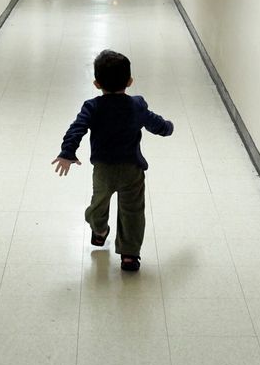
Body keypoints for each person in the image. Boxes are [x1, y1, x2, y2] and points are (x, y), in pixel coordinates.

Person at [51, 49, 173, 271]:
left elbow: (75, 129)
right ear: (130, 81)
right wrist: (167, 128)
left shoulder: (95, 106)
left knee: (120, 209)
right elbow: (155, 123)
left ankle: (129, 253)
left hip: (119, 169)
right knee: (131, 214)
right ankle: (102, 231)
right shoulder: (129, 105)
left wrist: (67, 151)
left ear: (96, 83)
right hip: (120, 169)